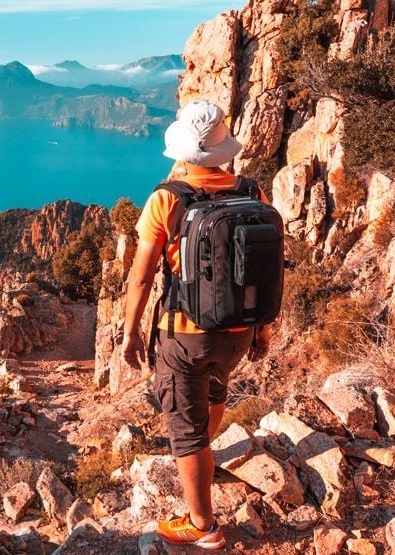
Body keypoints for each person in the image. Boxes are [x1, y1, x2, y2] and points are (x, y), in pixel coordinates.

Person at [121, 100, 272, 550]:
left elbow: (142, 276)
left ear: (185, 151)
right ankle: (204, 462)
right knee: (215, 390)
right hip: (239, 331)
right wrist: (262, 329)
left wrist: (129, 334)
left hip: (185, 335)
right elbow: (262, 270)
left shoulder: (167, 198)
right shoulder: (253, 191)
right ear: (223, 149)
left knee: (185, 429)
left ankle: (202, 526)